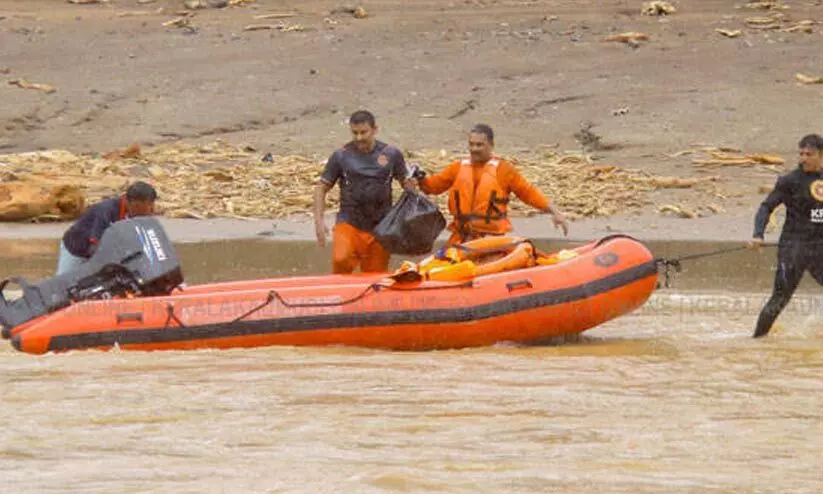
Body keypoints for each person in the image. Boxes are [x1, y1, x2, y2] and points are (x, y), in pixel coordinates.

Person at [415, 124, 569, 245]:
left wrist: (555, 212)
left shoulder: (504, 170)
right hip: (461, 236)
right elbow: (432, 187)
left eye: (479, 145)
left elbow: (528, 193)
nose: (474, 149)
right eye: (471, 144)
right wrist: (418, 179)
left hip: (491, 238)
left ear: (491, 145)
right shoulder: (457, 167)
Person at [313, 110, 415, 274]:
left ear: (375, 130)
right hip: (349, 222)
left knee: (374, 276)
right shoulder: (341, 155)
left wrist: (412, 211)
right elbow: (321, 188)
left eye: (363, 132)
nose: (359, 138)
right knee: (341, 259)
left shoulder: (391, 154)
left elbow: (407, 183)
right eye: (354, 133)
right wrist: (319, 222)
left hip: (381, 225)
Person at [749, 133, 823, 338]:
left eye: (809, 154)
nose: (804, 158)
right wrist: (758, 234)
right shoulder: (790, 181)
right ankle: (757, 340)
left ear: (821, 156)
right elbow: (766, 207)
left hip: (819, 249)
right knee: (780, 298)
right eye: (801, 154)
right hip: (793, 250)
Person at [57, 181, 157, 275]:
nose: (140, 214)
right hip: (75, 249)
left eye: (149, 208)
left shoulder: (142, 214)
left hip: (104, 249)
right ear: (126, 201)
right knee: (63, 282)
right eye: (137, 208)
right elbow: (94, 246)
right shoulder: (106, 211)